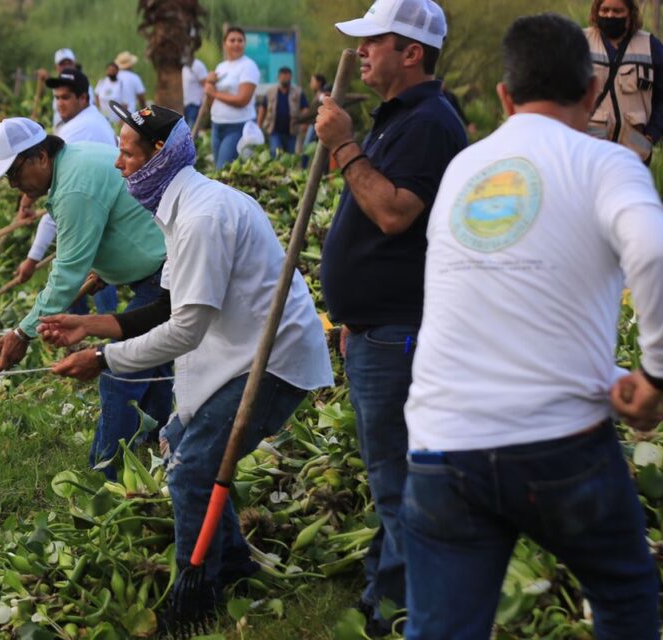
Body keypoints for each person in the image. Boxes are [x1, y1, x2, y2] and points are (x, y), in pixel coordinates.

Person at [403, 13, 663, 638]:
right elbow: (653, 253)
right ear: (593, 93)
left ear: (503, 97)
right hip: (560, 444)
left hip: (442, 444)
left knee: (442, 629)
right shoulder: (607, 164)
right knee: (626, 593)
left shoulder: (464, 171)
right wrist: (655, 374)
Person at [43, 102, 333, 623]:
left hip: (270, 359)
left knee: (191, 470)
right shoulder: (179, 206)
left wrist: (106, 360)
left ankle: (195, 596)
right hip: (235, 351)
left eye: (126, 154)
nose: (117, 164)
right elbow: (166, 306)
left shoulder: (202, 215)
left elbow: (184, 329)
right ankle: (237, 565)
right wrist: (91, 326)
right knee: (182, 446)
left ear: (158, 156)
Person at [313, 0, 466, 633]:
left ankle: (404, 610)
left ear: (412, 52)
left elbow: (396, 213)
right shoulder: (398, 117)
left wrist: (344, 144)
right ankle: (386, 590)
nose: (363, 51)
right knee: (387, 477)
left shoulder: (429, 121)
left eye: (375, 41)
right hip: (375, 329)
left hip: (400, 333)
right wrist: (353, 317)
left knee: (399, 479)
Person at [0, 118, 173, 479]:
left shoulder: (73, 188)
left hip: (164, 272)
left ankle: (105, 473)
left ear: (40, 156)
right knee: (154, 359)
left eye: (15, 172)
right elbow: (115, 221)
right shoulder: (75, 160)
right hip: (154, 265)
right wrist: (108, 271)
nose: (13, 184)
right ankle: (154, 441)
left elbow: (66, 275)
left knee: (119, 366)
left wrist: (23, 334)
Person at [15, 69, 120, 320]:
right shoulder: (84, 121)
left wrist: (32, 258)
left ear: (84, 98)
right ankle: (85, 322)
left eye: (66, 98)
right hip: (101, 205)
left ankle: (98, 325)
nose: (59, 103)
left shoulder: (78, 132)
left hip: (100, 209)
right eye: (57, 98)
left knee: (89, 266)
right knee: (90, 266)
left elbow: (61, 206)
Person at [585, 0, 663, 161]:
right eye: (604, 10)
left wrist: (651, 137)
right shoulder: (580, 41)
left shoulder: (651, 46)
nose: (610, 15)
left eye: (617, 11)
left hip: (635, 150)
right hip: (590, 150)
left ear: (630, 14)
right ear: (596, 11)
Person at [206, 26, 260, 169]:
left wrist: (214, 93)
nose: (236, 43)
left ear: (244, 44)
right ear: (225, 44)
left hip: (237, 126)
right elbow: (210, 100)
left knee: (222, 171)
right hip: (217, 125)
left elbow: (243, 100)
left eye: (240, 40)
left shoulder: (248, 66)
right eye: (232, 40)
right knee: (218, 172)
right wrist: (209, 84)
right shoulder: (221, 67)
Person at [257, 67, 310, 157]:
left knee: (290, 156)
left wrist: (304, 123)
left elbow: (305, 108)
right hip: (274, 130)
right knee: (275, 152)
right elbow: (263, 108)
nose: (286, 79)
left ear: (291, 77)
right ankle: (276, 170)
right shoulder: (271, 92)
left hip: (291, 130)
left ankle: (288, 171)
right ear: (279, 77)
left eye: (288, 77)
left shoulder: (297, 92)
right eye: (283, 76)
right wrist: (258, 125)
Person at [182, 55, 209, 129]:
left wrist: (205, 105)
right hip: (184, 106)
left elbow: (206, 86)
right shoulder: (184, 66)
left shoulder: (198, 66)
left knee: (191, 132)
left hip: (195, 105)